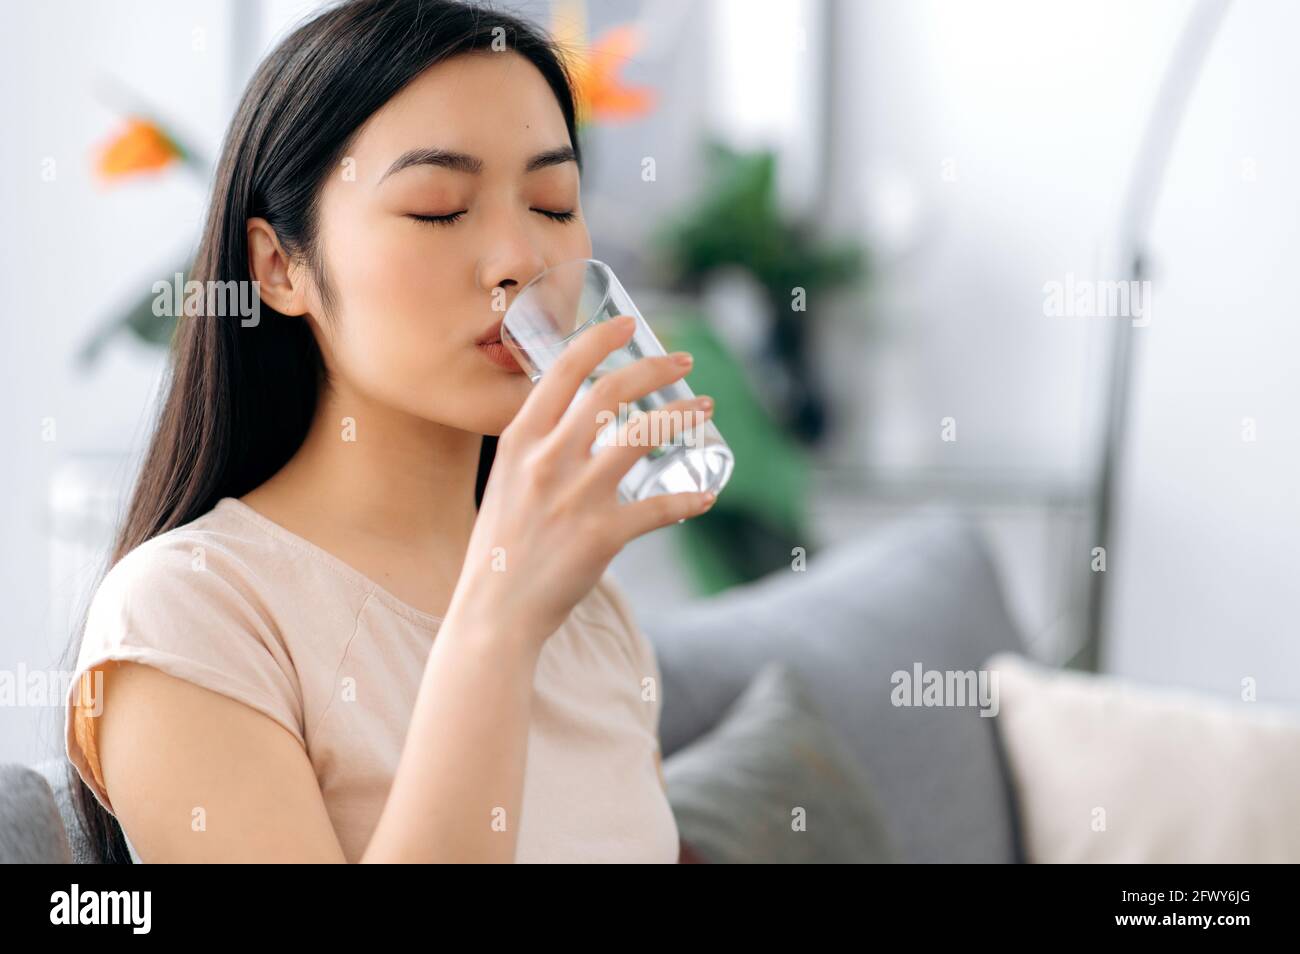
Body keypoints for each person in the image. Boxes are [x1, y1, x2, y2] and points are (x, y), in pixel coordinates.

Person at [61, 0, 716, 863]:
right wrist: (497, 622)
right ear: (278, 267)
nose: (519, 257)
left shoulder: (594, 615)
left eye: (554, 204)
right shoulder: (190, 616)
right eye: (440, 209)